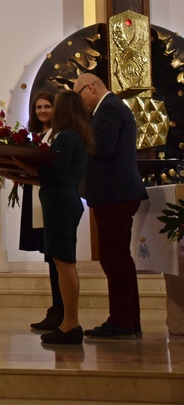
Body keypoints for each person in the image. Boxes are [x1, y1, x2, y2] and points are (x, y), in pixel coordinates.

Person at [2, 90, 94, 345]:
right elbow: (56, 176)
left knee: (65, 264)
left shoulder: (65, 138)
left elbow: (54, 177)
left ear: (63, 109)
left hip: (61, 203)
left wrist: (25, 167)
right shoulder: (78, 136)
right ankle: (67, 322)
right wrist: (24, 176)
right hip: (64, 199)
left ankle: (70, 324)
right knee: (63, 262)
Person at [73, 73, 148, 339]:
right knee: (117, 258)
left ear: (90, 88)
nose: (80, 103)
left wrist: (78, 138)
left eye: (78, 94)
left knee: (114, 258)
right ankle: (128, 320)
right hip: (114, 193)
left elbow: (103, 148)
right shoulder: (112, 108)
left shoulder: (108, 109)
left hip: (114, 194)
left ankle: (123, 322)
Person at [19, 91, 64, 331]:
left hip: (50, 198)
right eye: (39, 107)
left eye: (47, 106)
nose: (43, 111)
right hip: (38, 196)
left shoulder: (58, 135)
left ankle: (61, 310)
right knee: (50, 256)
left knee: (55, 256)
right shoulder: (40, 135)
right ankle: (56, 309)